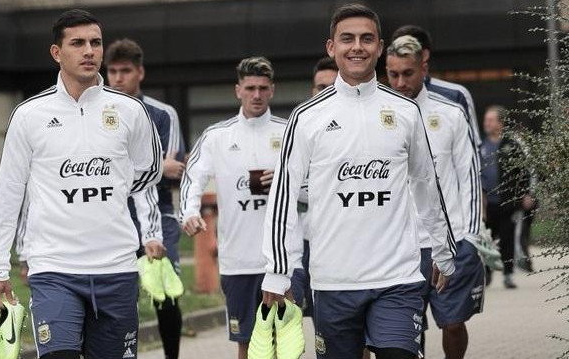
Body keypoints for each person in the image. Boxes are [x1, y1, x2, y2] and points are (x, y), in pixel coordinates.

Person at [260, 4, 456, 359]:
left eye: (367, 39)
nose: (357, 47)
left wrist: (443, 249)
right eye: (347, 39)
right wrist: (277, 271)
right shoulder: (306, 117)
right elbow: (282, 197)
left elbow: (427, 183)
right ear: (331, 47)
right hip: (334, 282)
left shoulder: (406, 112)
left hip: (398, 278)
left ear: (380, 47)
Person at [0, 9, 163, 359]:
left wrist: (112, 185)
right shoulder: (29, 115)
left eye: (95, 43)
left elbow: (150, 170)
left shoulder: (129, 110)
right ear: (56, 53)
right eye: (78, 43)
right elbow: (9, 193)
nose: (89, 51)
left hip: (117, 267)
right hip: (54, 268)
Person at [179, 56, 292, 359]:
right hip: (238, 261)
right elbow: (193, 178)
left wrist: (281, 183)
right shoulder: (217, 136)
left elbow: (314, 184)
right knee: (248, 342)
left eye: (263, 88)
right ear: (237, 90)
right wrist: (189, 212)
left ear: (272, 90)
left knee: (285, 343)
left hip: (282, 260)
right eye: (250, 87)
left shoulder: (289, 132)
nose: (257, 95)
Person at [386, 35, 484, 359]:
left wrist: (468, 236)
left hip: (449, 242)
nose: (400, 82)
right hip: (401, 248)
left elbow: (470, 177)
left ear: (423, 67)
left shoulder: (452, 113)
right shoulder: (377, 118)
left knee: (453, 324)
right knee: (405, 332)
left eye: (408, 74)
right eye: (393, 74)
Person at [105, 37, 186, 359]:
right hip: (113, 214)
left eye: (125, 71)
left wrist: (152, 167)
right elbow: (155, 166)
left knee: (166, 295)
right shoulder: (100, 111)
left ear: (140, 72)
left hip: (160, 212)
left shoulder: (163, 114)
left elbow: (173, 168)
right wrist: (151, 165)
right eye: (112, 71)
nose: (118, 78)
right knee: (121, 296)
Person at [290, 56, 339, 320]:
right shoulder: (299, 126)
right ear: (312, 91)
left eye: (333, 86)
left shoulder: (355, 127)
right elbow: (288, 184)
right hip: (304, 241)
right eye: (321, 87)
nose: (327, 93)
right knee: (299, 319)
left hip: (342, 238)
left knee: (347, 324)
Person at [391, 25, 481, 149]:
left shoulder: (456, 96)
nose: (400, 55)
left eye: (407, 48)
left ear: (424, 55)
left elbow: (471, 157)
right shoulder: (382, 102)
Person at [480, 105, 535, 289]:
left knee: (507, 239)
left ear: (500, 123)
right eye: (486, 120)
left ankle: (508, 274)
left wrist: (526, 193)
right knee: (485, 241)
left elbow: (524, 171)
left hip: (507, 202)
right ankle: (485, 275)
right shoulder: (480, 146)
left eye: (490, 120)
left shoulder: (511, 144)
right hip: (486, 204)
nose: (486, 123)